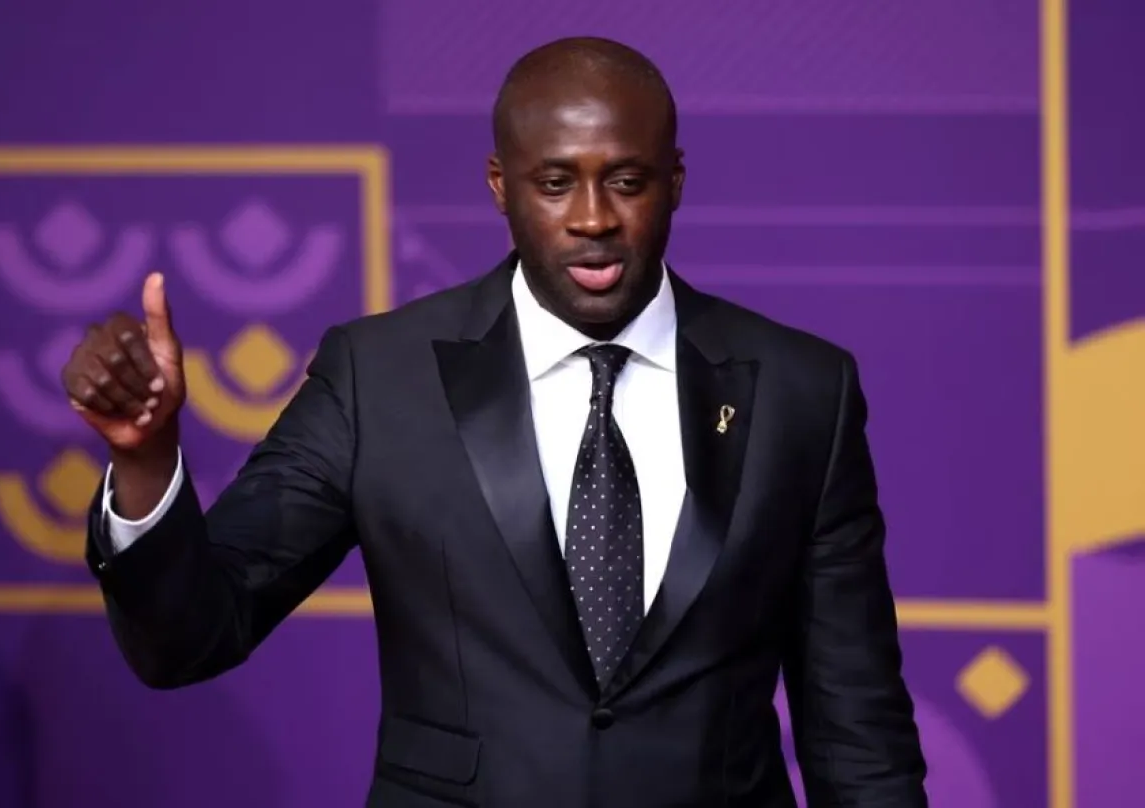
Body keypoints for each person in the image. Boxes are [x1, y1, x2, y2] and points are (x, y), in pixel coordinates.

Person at [63, 36, 928, 808]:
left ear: (674, 184)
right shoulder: (380, 377)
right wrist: (145, 462)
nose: (593, 219)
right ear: (500, 186)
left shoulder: (802, 389)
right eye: (555, 183)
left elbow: (857, 729)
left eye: (626, 181)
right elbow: (190, 638)